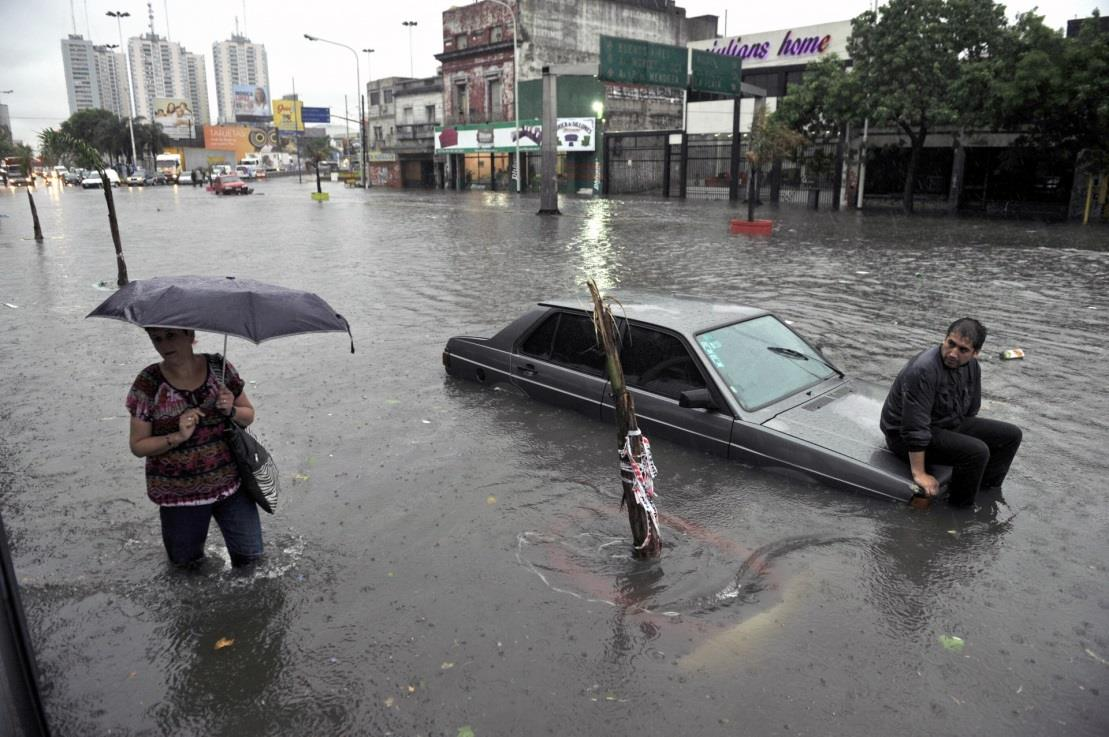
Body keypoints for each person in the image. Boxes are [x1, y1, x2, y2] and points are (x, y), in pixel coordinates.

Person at [126, 328, 263, 567]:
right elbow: (138, 446)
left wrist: (230, 410)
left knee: (253, 562)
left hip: (232, 486)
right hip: (178, 497)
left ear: (190, 335)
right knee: (186, 570)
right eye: (156, 338)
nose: (164, 344)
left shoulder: (219, 368)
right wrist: (177, 436)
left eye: (171, 335)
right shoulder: (148, 382)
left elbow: (248, 415)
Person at [881, 318, 1022, 507]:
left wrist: (959, 441)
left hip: (943, 424)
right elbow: (914, 427)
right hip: (903, 437)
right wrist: (919, 473)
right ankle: (960, 510)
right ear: (944, 339)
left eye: (962, 350)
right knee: (977, 452)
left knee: (1011, 435)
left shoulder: (972, 368)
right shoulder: (924, 370)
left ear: (975, 353)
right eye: (950, 344)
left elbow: (971, 409)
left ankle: (985, 492)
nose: (953, 353)